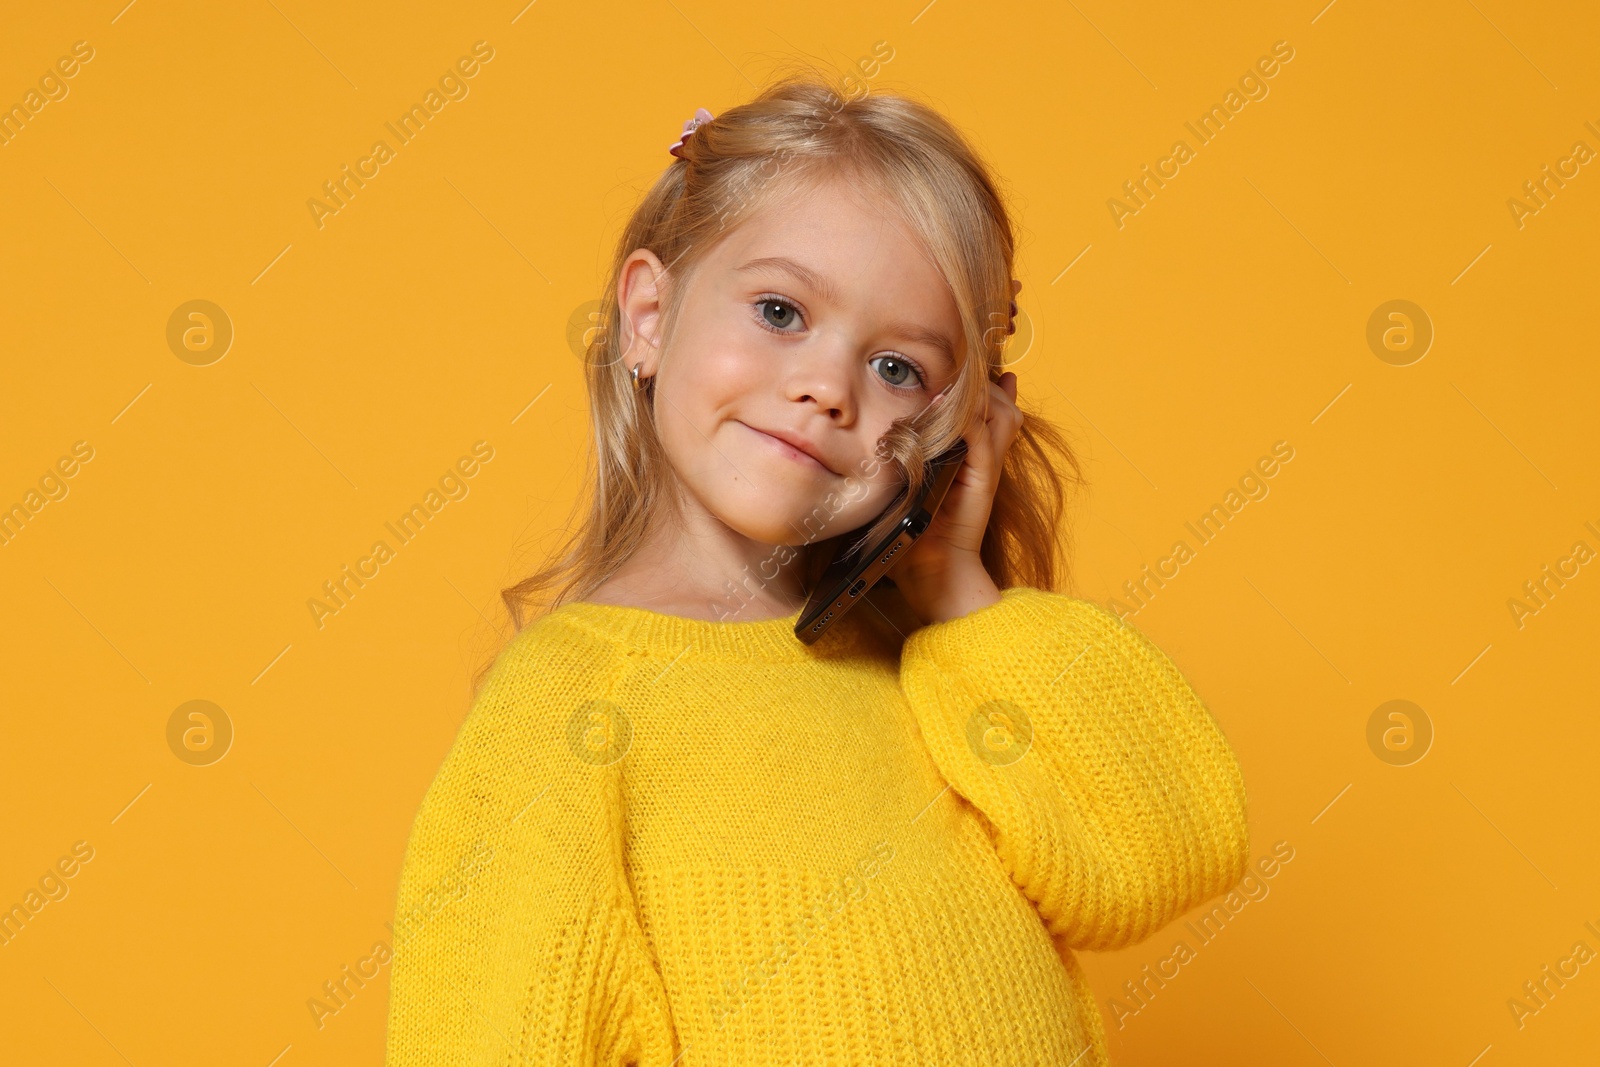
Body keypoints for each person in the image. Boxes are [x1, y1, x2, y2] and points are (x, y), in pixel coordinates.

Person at [384, 70, 1250, 1067]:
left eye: (898, 368)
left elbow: (1165, 850)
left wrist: (956, 585)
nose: (827, 387)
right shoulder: (571, 704)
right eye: (781, 311)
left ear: (955, 426)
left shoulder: (935, 668)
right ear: (648, 315)